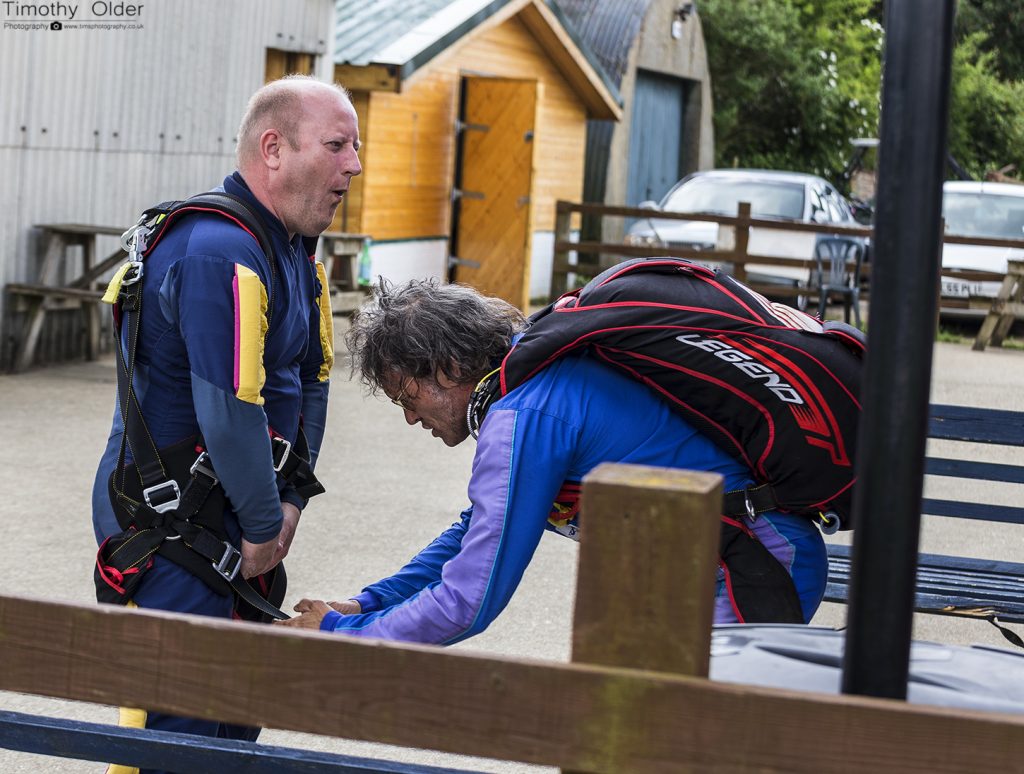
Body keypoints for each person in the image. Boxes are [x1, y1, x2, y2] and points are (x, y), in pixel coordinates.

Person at [279, 278, 828, 643]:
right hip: (710, 570)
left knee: (660, 739)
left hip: (751, 567)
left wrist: (339, 634)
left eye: (408, 397)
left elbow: (471, 597)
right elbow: (474, 535)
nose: (409, 418)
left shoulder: (524, 417)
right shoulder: (535, 386)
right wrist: (363, 605)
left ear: (446, 367)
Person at [91, 75, 361, 760]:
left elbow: (312, 377)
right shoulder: (220, 251)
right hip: (178, 531)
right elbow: (229, 403)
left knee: (235, 727)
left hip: (246, 522)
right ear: (273, 148)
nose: (354, 166)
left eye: (355, 148)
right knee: (181, 735)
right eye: (337, 146)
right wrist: (268, 522)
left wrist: (288, 502)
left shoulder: (295, 251)